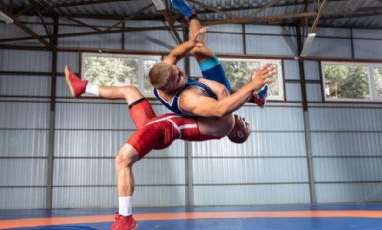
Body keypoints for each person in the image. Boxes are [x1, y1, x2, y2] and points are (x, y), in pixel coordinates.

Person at [64, 62, 273, 230]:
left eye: (245, 124)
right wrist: (253, 96)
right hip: (158, 125)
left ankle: (125, 218)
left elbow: (223, 105)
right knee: (129, 90)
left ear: (238, 133)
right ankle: (83, 88)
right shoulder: (224, 115)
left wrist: (252, 86)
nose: (243, 119)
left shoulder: (225, 125)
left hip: (164, 129)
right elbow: (227, 93)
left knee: (122, 159)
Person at [149, 0, 275, 119]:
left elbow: (175, 55)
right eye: (179, 78)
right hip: (217, 97)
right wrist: (252, 85)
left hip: (198, 89)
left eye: (178, 70)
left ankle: (257, 98)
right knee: (200, 50)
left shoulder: (161, 75)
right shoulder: (187, 99)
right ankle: (190, 13)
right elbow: (221, 109)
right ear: (168, 88)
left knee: (196, 46)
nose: (183, 73)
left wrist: (191, 43)